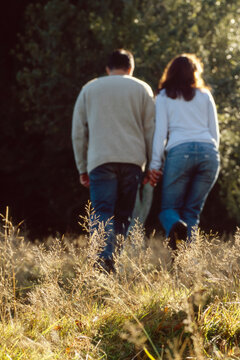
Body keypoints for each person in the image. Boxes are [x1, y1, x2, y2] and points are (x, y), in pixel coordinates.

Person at [71, 49, 155, 272]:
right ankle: (112, 260)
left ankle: (101, 259)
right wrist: (151, 165)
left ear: (107, 69)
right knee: (123, 214)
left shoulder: (90, 89)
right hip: (133, 161)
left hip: (100, 160)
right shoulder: (142, 89)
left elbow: (78, 132)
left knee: (102, 211)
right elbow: (150, 131)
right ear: (131, 68)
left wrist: (82, 166)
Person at [148, 54, 220, 250]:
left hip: (179, 151)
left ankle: (175, 227)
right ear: (195, 73)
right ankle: (187, 262)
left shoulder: (163, 97)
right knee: (192, 212)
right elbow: (215, 132)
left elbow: (160, 133)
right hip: (209, 153)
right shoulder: (205, 95)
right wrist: (213, 155)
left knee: (168, 210)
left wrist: (155, 165)